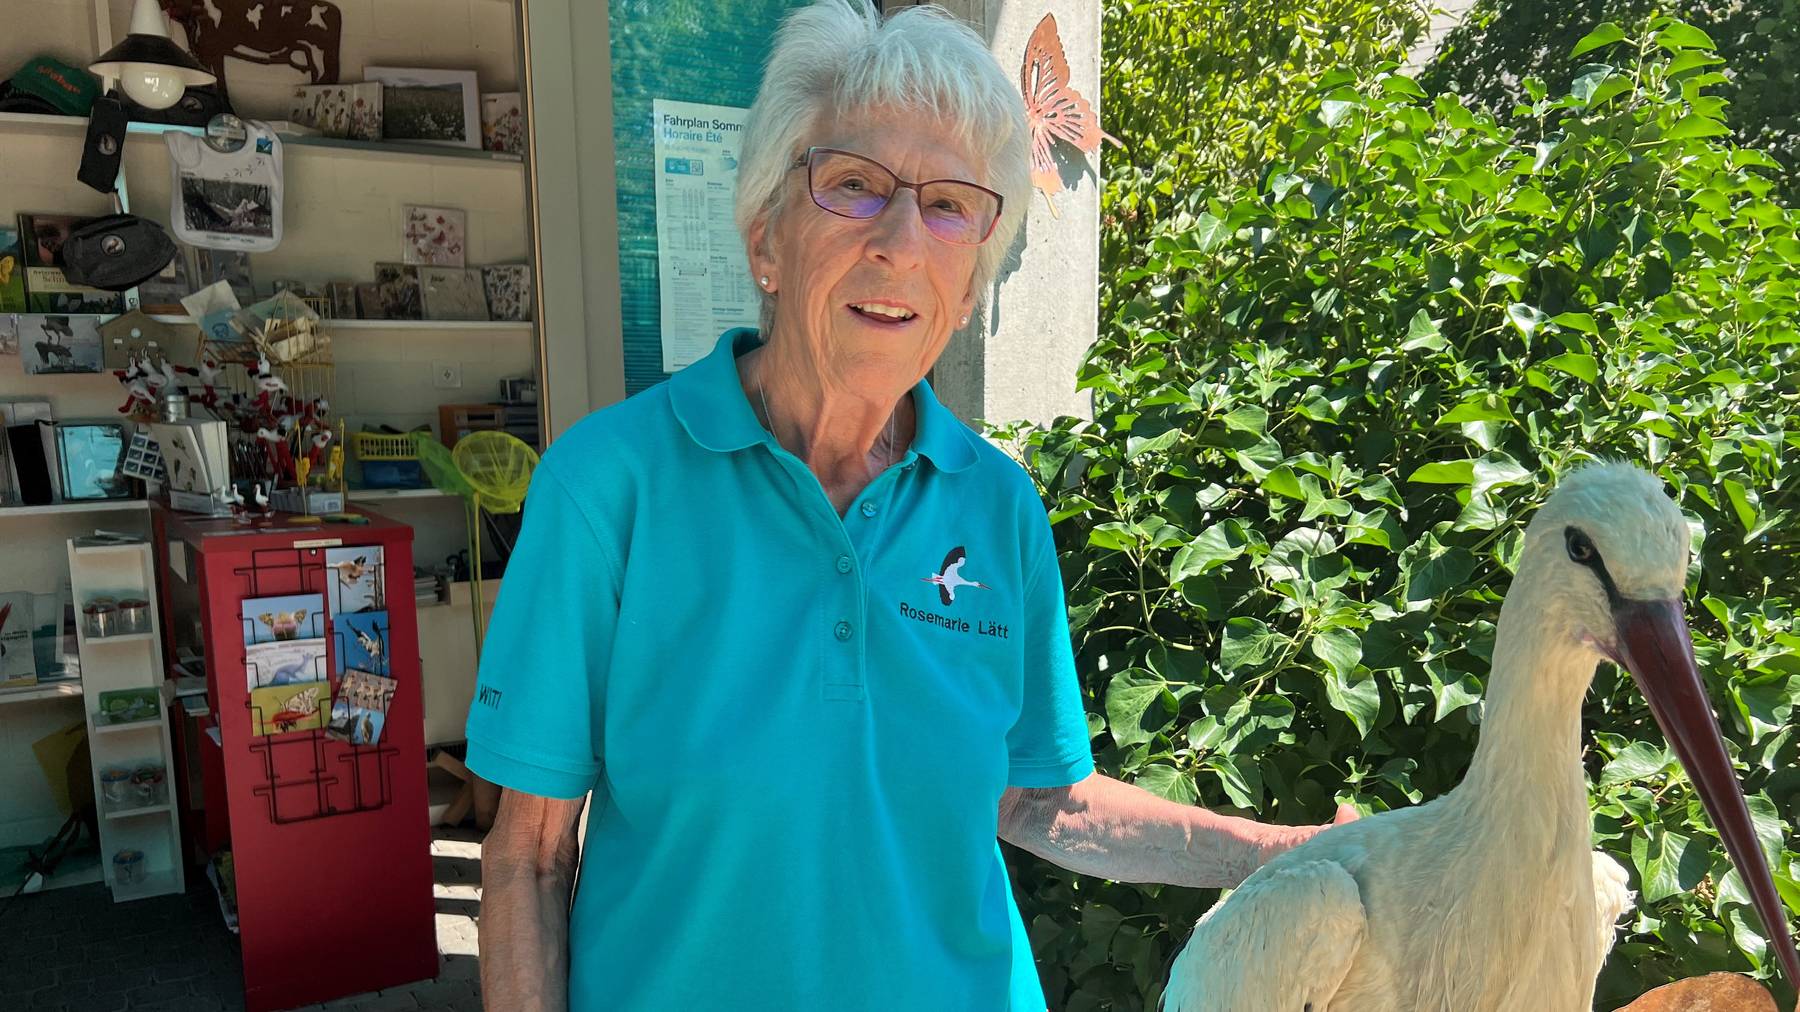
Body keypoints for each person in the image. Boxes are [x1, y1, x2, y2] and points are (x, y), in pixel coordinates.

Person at [467, 3, 1352, 1009]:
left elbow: (1040, 793)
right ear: (765, 238)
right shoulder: (608, 488)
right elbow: (528, 856)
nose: (900, 241)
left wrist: (1281, 849)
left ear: (970, 285)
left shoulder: (999, 506)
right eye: (853, 185)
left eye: (949, 206)